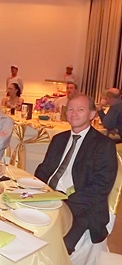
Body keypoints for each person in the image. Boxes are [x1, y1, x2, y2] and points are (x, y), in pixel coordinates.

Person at [34, 94, 117, 257]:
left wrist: (63, 203)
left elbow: (100, 187)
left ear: (92, 114)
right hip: (49, 198)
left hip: (82, 207)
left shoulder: (103, 145)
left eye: (80, 109)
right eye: (70, 109)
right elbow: (43, 170)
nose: (74, 113)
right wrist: (38, 191)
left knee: (57, 249)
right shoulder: (59, 139)